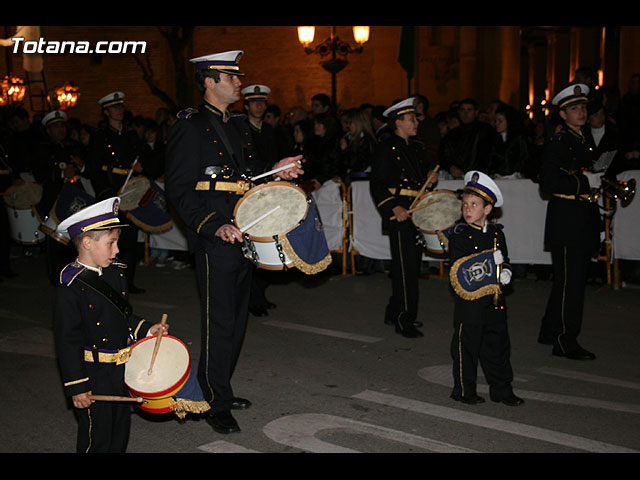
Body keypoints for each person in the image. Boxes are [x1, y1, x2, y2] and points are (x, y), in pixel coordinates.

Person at [164, 50, 303, 434]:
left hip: (246, 233)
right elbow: (178, 189)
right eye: (231, 77)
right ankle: (212, 399)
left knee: (237, 321)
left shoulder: (240, 126)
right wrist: (211, 226)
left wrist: (282, 170)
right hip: (216, 238)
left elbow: (252, 177)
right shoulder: (189, 127)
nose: (239, 82)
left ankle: (219, 388)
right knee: (220, 321)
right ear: (209, 81)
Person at [52, 196, 168, 452]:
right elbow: (67, 342)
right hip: (93, 375)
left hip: (122, 370)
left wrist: (148, 328)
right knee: (97, 437)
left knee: (119, 432)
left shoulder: (115, 273)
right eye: (110, 243)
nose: (116, 250)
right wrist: (78, 387)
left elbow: (123, 317)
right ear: (86, 243)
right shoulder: (70, 288)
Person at [442, 171, 523, 406]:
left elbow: (504, 259)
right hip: (470, 303)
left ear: (488, 209)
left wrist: (506, 271)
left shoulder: (497, 233)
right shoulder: (459, 236)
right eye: (465, 204)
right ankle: (464, 390)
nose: (468, 209)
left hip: (494, 301)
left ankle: (502, 389)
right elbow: (459, 269)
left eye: (474, 205)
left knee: (498, 346)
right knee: (466, 346)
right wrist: (490, 262)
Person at [537, 84, 600, 361]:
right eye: (574, 109)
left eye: (584, 107)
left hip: (581, 217)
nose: (582, 112)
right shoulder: (560, 143)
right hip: (567, 219)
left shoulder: (583, 138)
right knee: (570, 283)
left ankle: (550, 330)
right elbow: (547, 182)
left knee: (569, 280)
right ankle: (565, 340)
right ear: (562, 114)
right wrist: (585, 182)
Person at [369, 98, 439, 338]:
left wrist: (430, 178)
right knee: (405, 268)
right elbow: (377, 184)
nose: (416, 122)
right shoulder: (385, 147)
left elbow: (421, 179)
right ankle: (404, 318)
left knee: (411, 265)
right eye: (411, 119)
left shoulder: (417, 149)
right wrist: (393, 208)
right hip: (400, 212)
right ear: (397, 123)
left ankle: (395, 311)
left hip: (417, 210)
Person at [85, 92, 148, 294]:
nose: (119, 111)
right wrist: (110, 192)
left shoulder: (131, 135)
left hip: (130, 192)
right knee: (110, 240)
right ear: (106, 112)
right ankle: (110, 283)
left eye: (121, 107)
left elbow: (143, 156)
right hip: (111, 192)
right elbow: (94, 169)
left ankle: (127, 283)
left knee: (129, 240)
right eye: (114, 108)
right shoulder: (99, 136)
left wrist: (140, 166)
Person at [439, 98, 493, 179]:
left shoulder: (486, 131)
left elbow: (490, 156)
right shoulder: (451, 134)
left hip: (480, 176)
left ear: (476, 112)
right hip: (456, 177)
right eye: (463, 110)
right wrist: (450, 167)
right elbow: (443, 155)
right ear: (459, 112)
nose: (466, 113)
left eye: (469, 110)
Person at [487, 104, 529, 178]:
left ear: (509, 121)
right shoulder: (492, 138)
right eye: (495, 121)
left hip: (515, 178)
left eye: (500, 121)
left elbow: (525, 159)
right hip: (497, 178)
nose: (497, 124)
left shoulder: (519, 139)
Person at [338, 107, 376, 183]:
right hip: (353, 178)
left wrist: (345, 150)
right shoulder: (351, 139)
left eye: (350, 123)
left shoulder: (367, 141)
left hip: (361, 180)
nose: (348, 126)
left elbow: (358, 165)